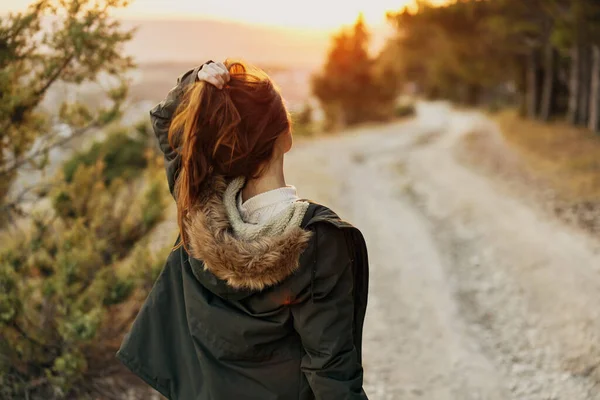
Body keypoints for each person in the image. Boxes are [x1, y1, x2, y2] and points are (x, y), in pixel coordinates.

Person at [116, 60, 370, 400]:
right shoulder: (318, 241)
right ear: (286, 137)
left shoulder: (197, 212)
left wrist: (198, 81)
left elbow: (167, 123)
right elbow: (331, 370)